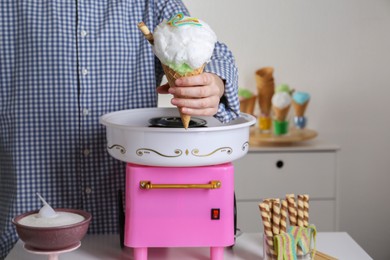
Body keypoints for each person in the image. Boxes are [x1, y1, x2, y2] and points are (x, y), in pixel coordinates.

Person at [0, 0, 239, 257]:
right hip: (27, 236)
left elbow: (207, 47)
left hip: (129, 233)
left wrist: (213, 82)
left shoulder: (151, 3)